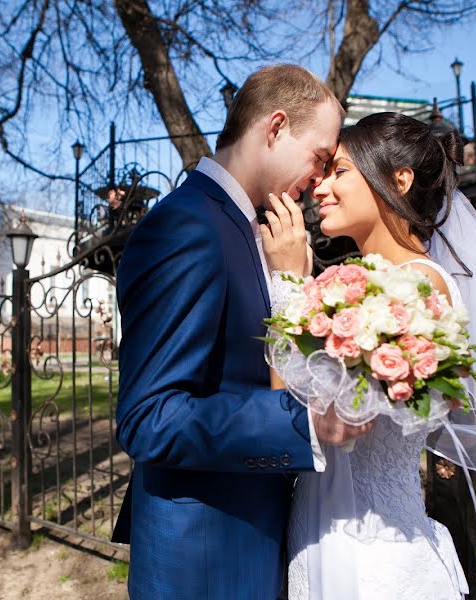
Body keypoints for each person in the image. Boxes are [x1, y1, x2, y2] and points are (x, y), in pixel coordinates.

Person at [261, 112, 476, 599]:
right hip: (320, 531)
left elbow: (308, 416)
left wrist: (286, 286)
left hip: (370, 553)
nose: (319, 188)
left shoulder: (416, 288)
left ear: (399, 180)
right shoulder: (362, 285)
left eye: (339, 171)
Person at [113, 64, 373, 599]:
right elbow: (147, 418)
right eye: (320, 157)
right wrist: (302, 423)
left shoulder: (245, 224)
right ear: (275, 128)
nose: (319, 179)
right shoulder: (186, 226)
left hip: (250, 540)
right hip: (206, 561)